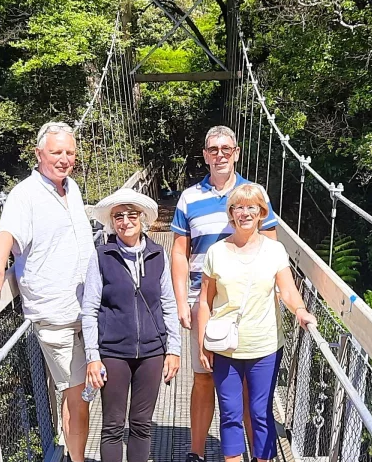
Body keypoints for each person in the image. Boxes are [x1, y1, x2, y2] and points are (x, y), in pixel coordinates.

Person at [0, 122, 93, 462]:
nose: (64, 159)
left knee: (75, 394)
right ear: (39, 153)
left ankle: (71, 450)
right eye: (56, 152)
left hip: (88, 311)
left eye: (70, 153)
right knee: (79, 396)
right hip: (56, 315)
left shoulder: (71, 188)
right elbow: (6, 235)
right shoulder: (24, 194)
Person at [171, 125, 280, 462]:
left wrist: (275, 299)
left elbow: (272, 249)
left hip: (247, 307)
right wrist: (180, 303)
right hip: (202, 302)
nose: (219, 155)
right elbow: (178, 252)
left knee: (248, 389)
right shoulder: (189, 197)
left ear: (236, 153)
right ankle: (197, 452)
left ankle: (249, 453)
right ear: (205, 155)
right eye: (213, 149)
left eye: (226, 149)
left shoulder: (253, 193)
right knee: (204, 378)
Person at [196, 184, 318, 462]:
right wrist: (202, 343)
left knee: (260, 412)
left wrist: (300, 310)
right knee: (230, 414)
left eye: (252, 207)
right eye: (238, 207)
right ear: (231, 213)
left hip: (265, 346)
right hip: (225, 347)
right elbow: (205, 300)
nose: (245, 213)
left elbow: (287, 290)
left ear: (262, 212)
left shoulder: (275, 250)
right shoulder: (216, 252)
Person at [81, 188, 182, 462]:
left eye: (131, 215)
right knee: (112, 426)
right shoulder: (102, 257)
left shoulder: (158, 253)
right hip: (113, 352)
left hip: (152, 352)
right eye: (118, 216)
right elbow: (89, 309)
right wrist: (93, 357)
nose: (125, 221)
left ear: (142, 219)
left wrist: (174, 350)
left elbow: (169, 304)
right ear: (112, 222)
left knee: (141, 424)